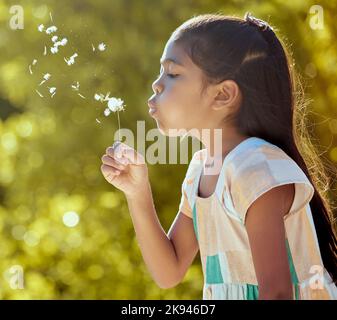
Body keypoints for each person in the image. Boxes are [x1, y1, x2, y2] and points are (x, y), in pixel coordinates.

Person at [100, 13, 337, 300]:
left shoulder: (256, 168)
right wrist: (137, 192)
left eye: (173, 73)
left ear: (223, 95)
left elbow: (276, 294)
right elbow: (169, 271)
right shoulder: (202, 168)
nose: (156, 84)